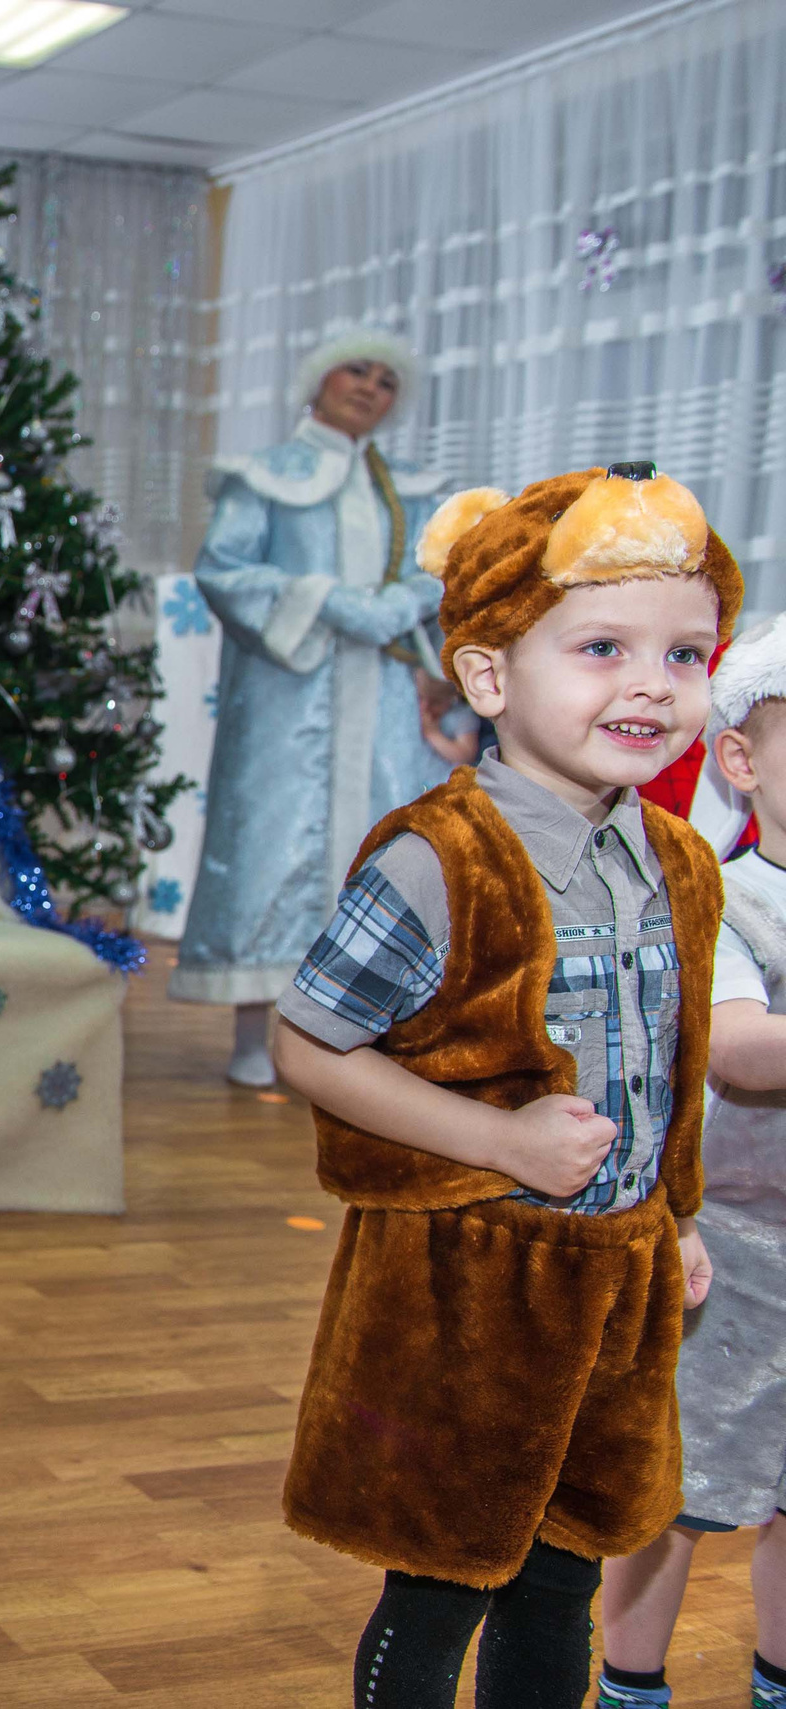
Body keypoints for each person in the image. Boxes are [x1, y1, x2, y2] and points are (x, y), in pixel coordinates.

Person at [271, 465, 735, 1708]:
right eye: (601, 646)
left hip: (617, 1285)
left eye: (685, 653)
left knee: (565, 1574)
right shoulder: (439, 857)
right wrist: (503, 1139)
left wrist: (673, 1218)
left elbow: (670, 1071)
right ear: (487, 675)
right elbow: (307, 1042)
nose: (651, 683)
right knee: (442, 1578)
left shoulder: (680, 862)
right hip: (467, 1292)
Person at [176, 327, 455, 1088]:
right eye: (355, 370)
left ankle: (363, 1031)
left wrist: (401, 602)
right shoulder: (263, 477)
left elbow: (439, 573)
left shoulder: (412, 490)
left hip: (387, 700)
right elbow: (226, 570)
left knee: (382, 848)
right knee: (270, 844)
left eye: (387, 380)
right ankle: (252, 1032)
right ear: (317, 379)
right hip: (287, 696)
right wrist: (326, 601)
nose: (370, 387)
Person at [596, 616, 786, 1709]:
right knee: (680, 1488)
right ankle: (632, 1681)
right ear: (741, 760)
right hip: (734, 1254)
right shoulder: (721, 896)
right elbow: (743, 1050)